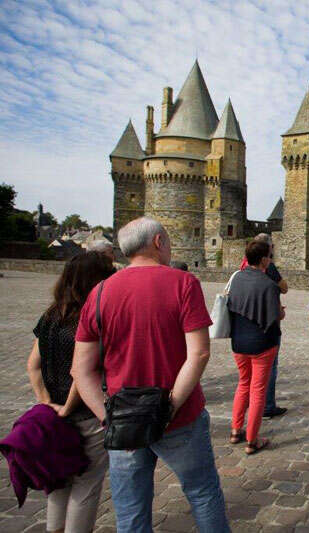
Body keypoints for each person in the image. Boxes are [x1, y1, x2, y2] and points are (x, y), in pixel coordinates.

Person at [71, 217, 230, 532]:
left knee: (131, 510)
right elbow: (198, 352)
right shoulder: (183, 283)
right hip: (180, 418)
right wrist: (169, 407)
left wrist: (109, 418)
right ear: (158, 242)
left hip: (123, 418)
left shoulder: (100, 293)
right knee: (202, 494)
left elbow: (80, 369)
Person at [27, 251, 114, 533]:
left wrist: (47, 403)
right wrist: (67, 406)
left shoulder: (51, 315)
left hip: (53, 415)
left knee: (58, 480)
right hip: (85, 413)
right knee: (86, 485)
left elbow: (33, 366)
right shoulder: (88, 318)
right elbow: (81, 371)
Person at [228, 240, 284, 454]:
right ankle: (252, 440)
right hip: (262, 343)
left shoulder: (237, 278)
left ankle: (235, 430)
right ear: (263, 260)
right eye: (269, 256)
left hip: (239, 341)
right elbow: (275, 315)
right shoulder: (269, 284)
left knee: (243, 383)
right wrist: (282, 312)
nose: (271, 260)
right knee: (258, 390)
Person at [239, 234, 289, 418]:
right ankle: (266, 406)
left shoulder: (243, 267)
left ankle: (242, 415)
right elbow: (283, 287)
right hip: (267, 322)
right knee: (269, 368)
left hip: (244, 323)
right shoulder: (268, 267)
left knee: (246, 376)